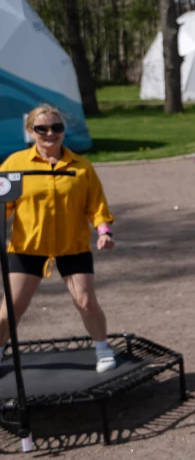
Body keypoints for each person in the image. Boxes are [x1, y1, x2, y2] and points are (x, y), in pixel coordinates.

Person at [0, 106, 117, 372]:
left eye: (57, 128)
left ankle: (102, 349)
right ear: (31, 132)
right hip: (27, 248)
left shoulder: (81, 167)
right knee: (9, 311)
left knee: (86, 302)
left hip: (72, 248)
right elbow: (1, 207)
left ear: (63, 131)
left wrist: (104, 232)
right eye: (42, 129)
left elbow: (96, 206)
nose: (50, 134)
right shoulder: (14, 165)